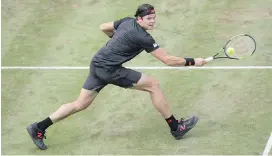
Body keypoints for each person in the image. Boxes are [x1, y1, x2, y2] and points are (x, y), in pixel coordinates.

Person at [26, 3, 207, 150]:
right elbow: (168, 60)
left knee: (79, 104)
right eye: (149, 18)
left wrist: (116, 39)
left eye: (154, 18)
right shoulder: (143, 37)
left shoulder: (127, 22)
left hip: (97, 64)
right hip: (109, 70)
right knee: (153, 85)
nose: (152, 22)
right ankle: (176, 127)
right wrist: (194, 61)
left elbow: (103, 27)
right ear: (140, 18)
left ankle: (39, 127)